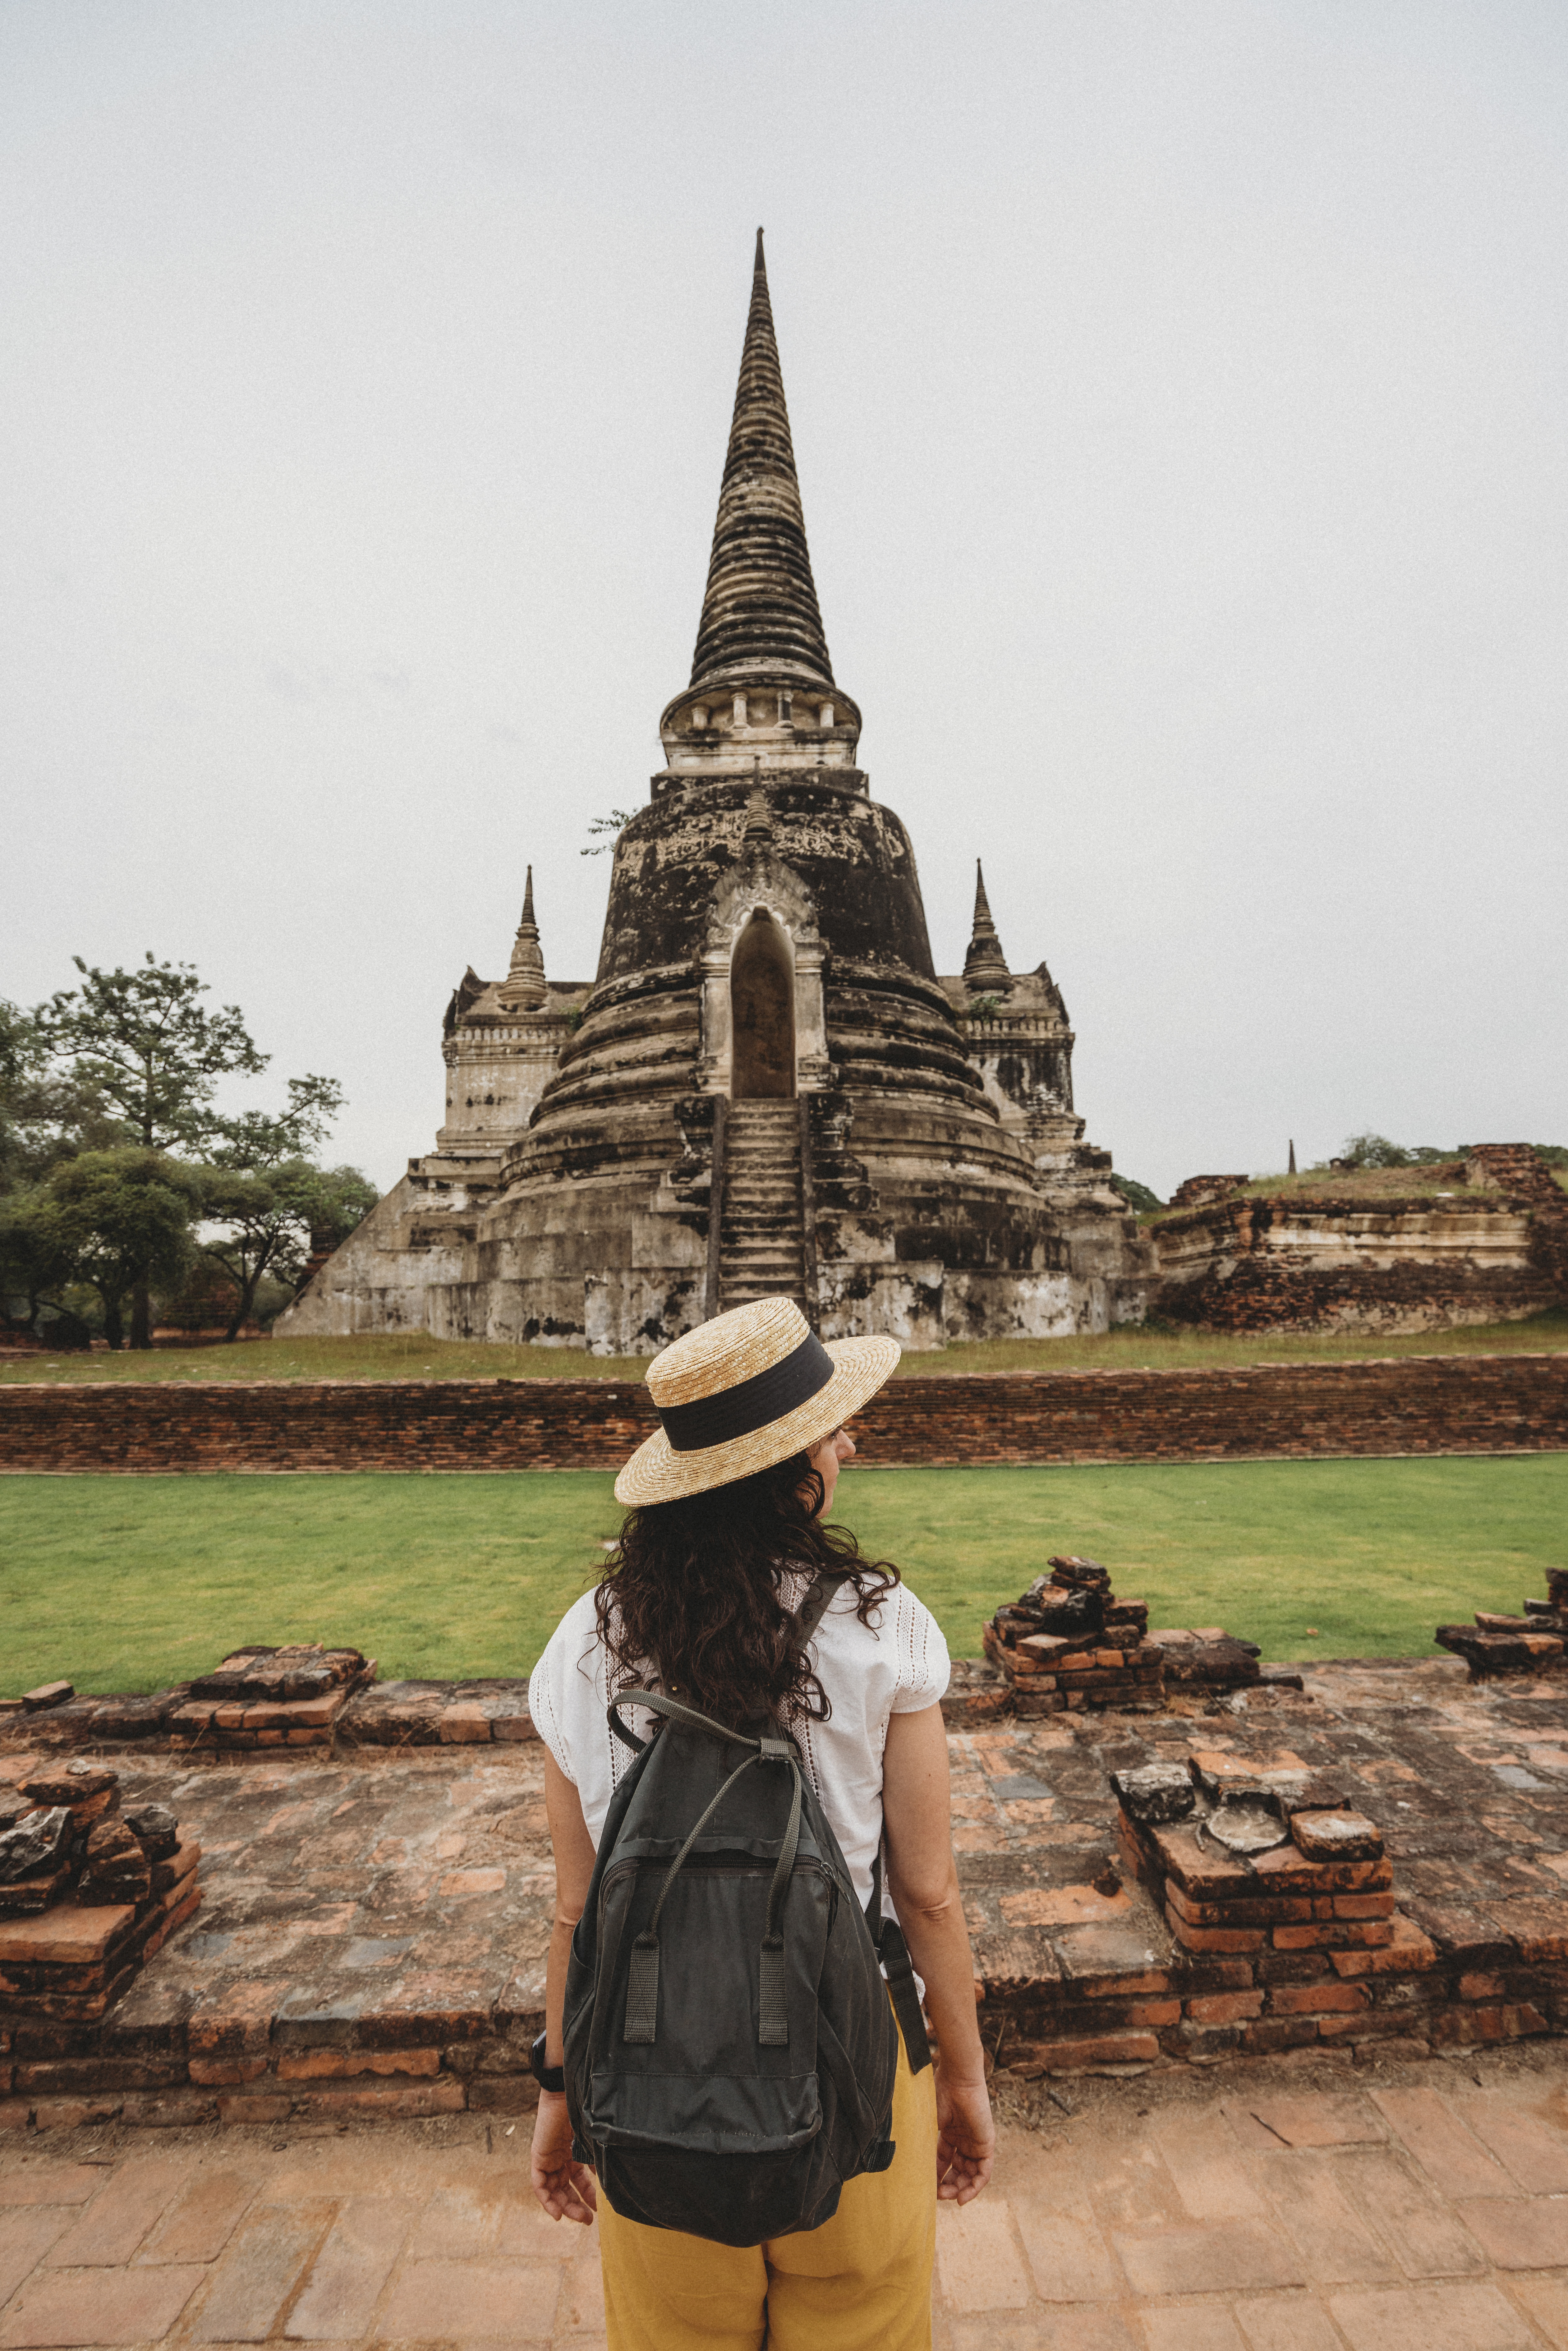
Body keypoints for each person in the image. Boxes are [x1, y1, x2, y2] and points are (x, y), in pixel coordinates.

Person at [526, 1295, 995, 2351]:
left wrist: (560, 2089)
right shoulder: (880, 1622)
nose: (851, 1440)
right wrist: (961, 2078)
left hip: (650, 2077)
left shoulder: (586, 1642)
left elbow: (574, 1907)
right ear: (794, 1470)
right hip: (857, 2063)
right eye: (833, 1428)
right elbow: (927, 1894)